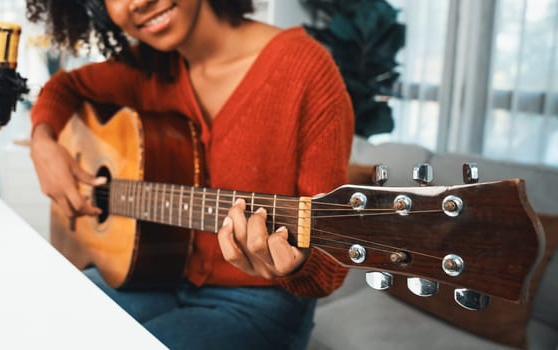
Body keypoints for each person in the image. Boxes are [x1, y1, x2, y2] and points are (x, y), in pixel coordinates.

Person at [26, 0, 353, 349]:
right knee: (42, 318)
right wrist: (42, 141)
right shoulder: (146, 67)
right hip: (157, 277)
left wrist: (297, 264)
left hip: (258, 303)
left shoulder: (307, 70)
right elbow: (61, 88)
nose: (138, 2)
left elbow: (329, 263)